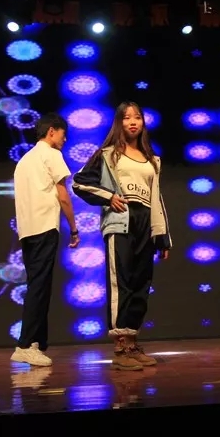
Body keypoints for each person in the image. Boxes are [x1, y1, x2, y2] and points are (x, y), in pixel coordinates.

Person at [72, 102, 172, 371]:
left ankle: (132, 343)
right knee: (122, 283)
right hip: (121, 223)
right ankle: (120, 348)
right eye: (127, 118)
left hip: (145, 224)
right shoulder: (107, 155)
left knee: (141, 284)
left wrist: (162, 235)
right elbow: (79, 182)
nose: (133, 122)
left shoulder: (152, 160)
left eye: (137, 117)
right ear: (119, 122)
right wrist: (109, 197)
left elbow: (156, 199)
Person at [11, 113, 79, 367]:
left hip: (27, 230)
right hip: (44, 227)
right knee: (39, 287)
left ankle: (36, 343)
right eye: (63, 134)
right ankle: (25, 345)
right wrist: (74, 228)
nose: (65, 139)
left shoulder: (24, 161)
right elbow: (63, 195)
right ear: (52, 131)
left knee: (37, 285)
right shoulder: (51, 155)